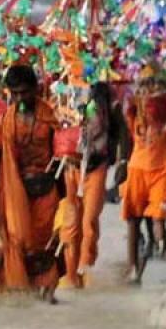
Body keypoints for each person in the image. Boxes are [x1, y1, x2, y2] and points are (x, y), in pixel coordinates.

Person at [0, 65, 62, 302]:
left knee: (43, 244)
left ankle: (44, 289)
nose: (19, 98)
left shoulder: (50, 117)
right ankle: (20, 291)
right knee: (17, 241)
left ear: (35, 89)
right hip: (15, 192)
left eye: (24, 92)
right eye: (14, 93)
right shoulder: (2, 121)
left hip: (45, 191)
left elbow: (61, 156)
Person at [57, 82, 126, 288]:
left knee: (89, 220)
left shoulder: (111, 112)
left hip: (96, 168)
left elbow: (122, 137)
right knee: (71, 222)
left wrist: (122, 162)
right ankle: (70, 273)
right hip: (72, 168)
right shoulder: (69, 104)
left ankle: (85, 267)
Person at [121, 68, 166, 283]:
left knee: (158, 221)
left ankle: (163, 238)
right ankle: (133, 268)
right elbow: (127, 133)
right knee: (133, 221)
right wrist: (122, 163)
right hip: (137, 170)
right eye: (141, 85)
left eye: (149, 85)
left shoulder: (164, 107)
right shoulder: (133, 110)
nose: (144, 90)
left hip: (161, 171)